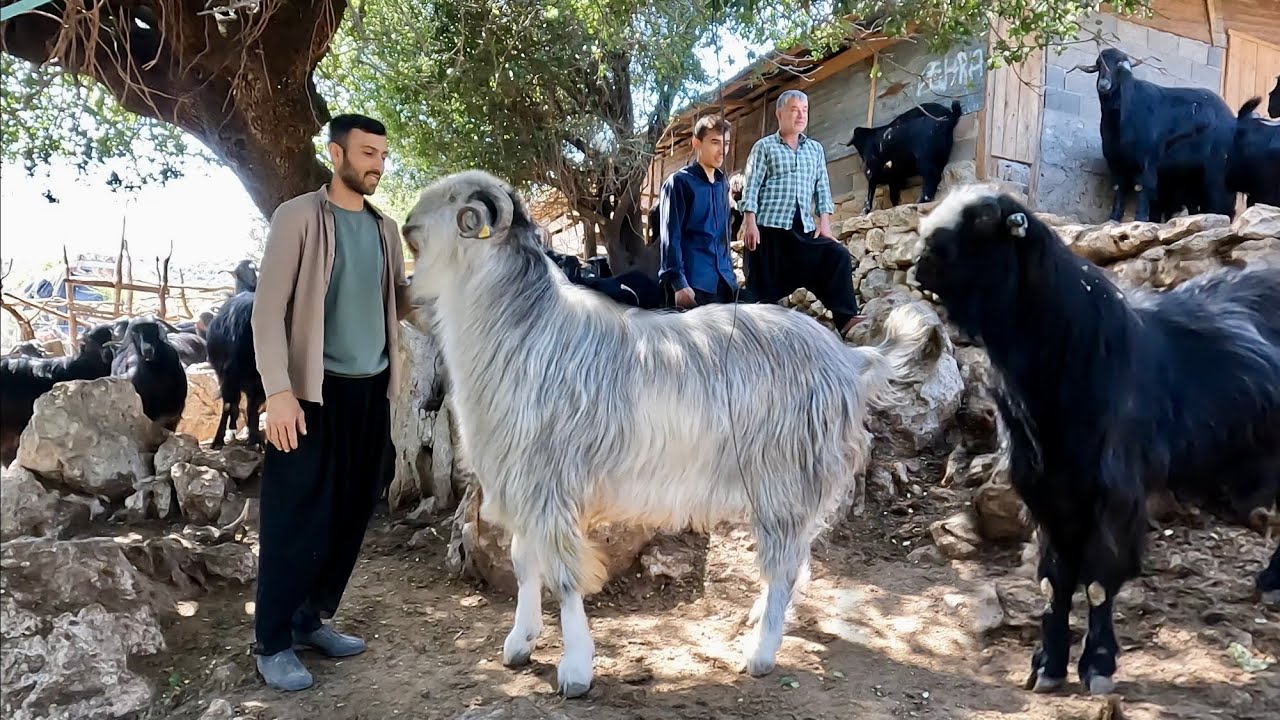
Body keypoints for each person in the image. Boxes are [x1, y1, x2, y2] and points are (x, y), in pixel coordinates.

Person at [249, 113, 412, 692]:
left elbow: (401, 302)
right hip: (310, 396)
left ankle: (309, 619)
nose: (377, 164)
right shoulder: (296, 217)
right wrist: (277, 393)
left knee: (351, 511)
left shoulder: (385, 229)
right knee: (297, 516)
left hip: (371, 393)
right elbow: (266, 313)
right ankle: (270, 641)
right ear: (337, 154)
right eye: (368, 153)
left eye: (383, 155)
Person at [739, 90, 865, 334]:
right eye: (794, 109)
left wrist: (825, 223)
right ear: (779, 114)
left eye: (804, 110)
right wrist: (750, 222)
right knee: (758, 293)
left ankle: (846, 318)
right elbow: (751, 187)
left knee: (836, 256)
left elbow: (822, 188)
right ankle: (749, 332)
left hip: (803, 229)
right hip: (769, 231)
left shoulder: (815, 150)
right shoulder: (764, 147)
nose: (800, 115)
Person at [658, 115, 741, 308]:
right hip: (692, 286)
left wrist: (730, 276)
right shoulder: (679, 183)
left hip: (723, 283)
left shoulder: (722, 184)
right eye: (715, 142)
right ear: (696, 143)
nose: (722, 151)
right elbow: (670, 238)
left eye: (726, 143)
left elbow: (724, 237)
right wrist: (679, 285)